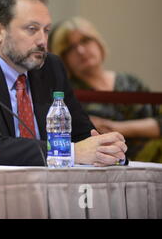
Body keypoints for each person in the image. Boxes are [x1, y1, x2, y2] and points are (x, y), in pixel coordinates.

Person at [0, 0, 127, 166]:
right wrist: (69, 152)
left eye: (46, 30)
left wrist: (106, 148)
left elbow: (80, 133)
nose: (43, 41)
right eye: (32, 29)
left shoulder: (51, 66)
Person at [49, 16, 161, 161]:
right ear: (62, 58)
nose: (81, 51)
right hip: (110, 162)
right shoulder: (67, 95)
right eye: (70, 48)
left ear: (98, 42)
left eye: (85, 40)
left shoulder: (130, 82)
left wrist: (115, 126)